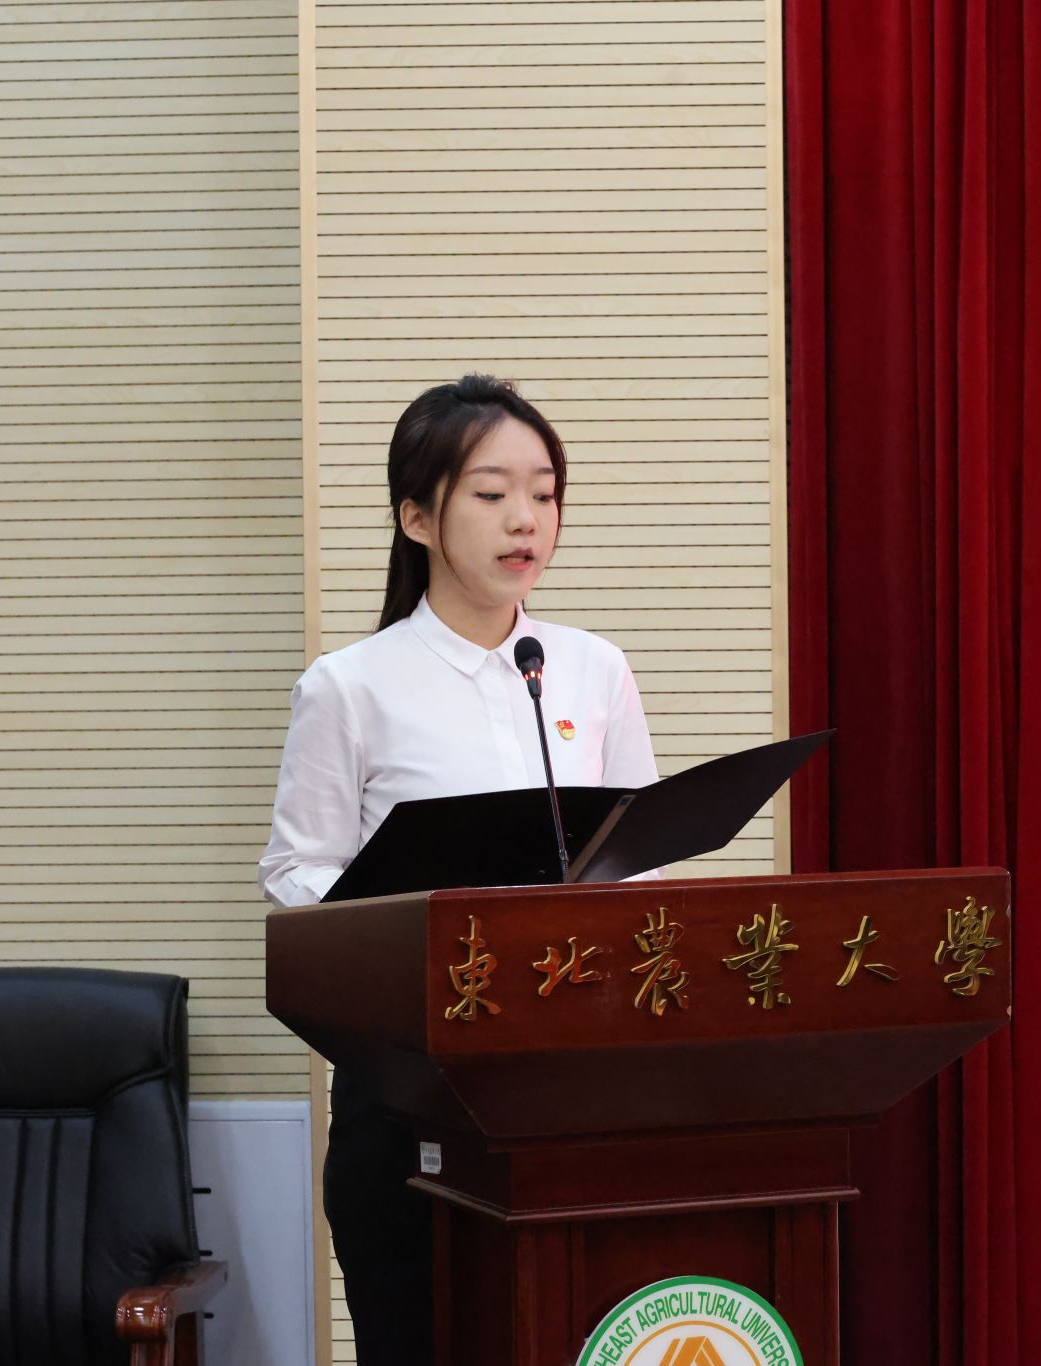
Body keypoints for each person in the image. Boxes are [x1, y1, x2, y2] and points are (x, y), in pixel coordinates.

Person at [258, 374, 659, 1364]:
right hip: (411, 1098)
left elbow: (640, 869)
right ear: (417, 518)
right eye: (491, 493)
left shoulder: (591, 669)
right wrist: (402, 937)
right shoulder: (350, 687)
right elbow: (297, 881)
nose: (526, 519)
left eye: (545, 493)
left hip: (571, 1090)